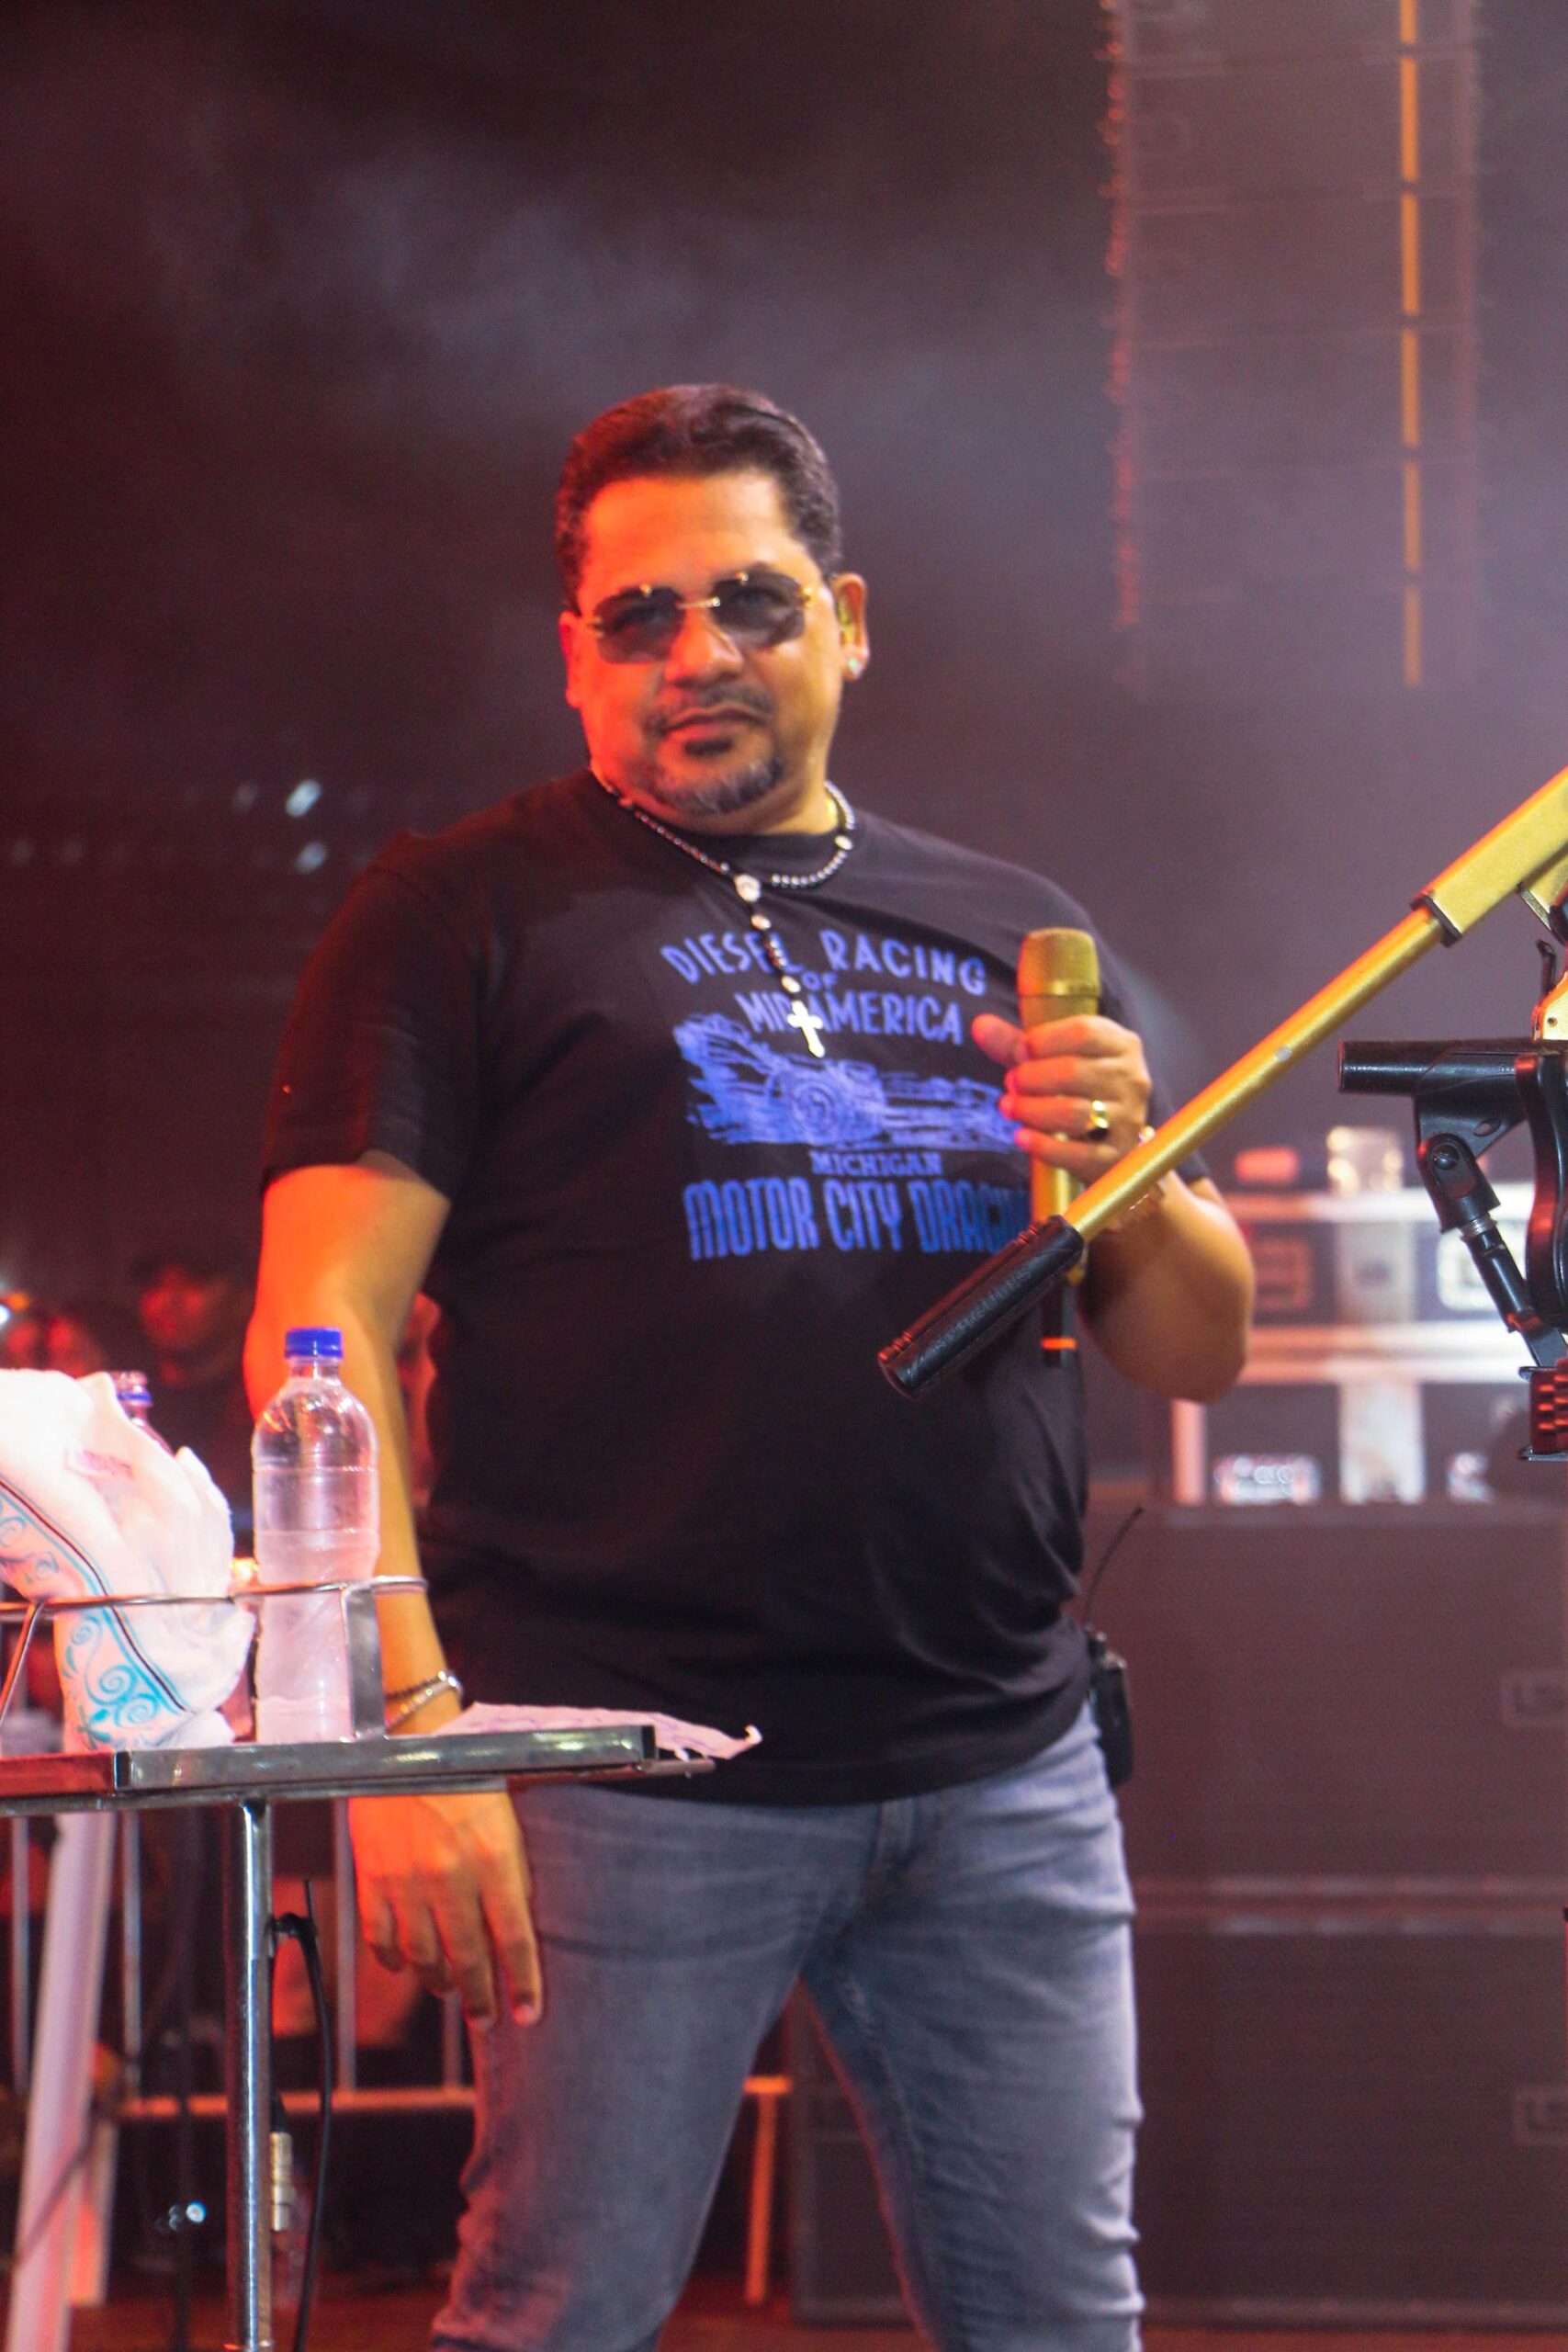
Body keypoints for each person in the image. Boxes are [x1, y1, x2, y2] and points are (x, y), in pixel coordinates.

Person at [248, 385, 1253, 2351]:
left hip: (997, 1762)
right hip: (620, 1773)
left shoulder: (1011, 930)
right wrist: (396, 1731)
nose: (695, 652)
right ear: (573, 655)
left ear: (844, 621)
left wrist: (1127, 1164)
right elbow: (320, 1333)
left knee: (1061, 2322)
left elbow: (1195, 1345)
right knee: (557, 2316)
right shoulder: (457, 915)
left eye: (749, 600)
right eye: (638, 616)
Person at [132, 1237, 254, 1535]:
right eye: (155, 1286)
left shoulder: (261, 1406)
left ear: (242, 1299)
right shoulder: (126, 1405)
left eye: (191, 1285)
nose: (167, 1302)